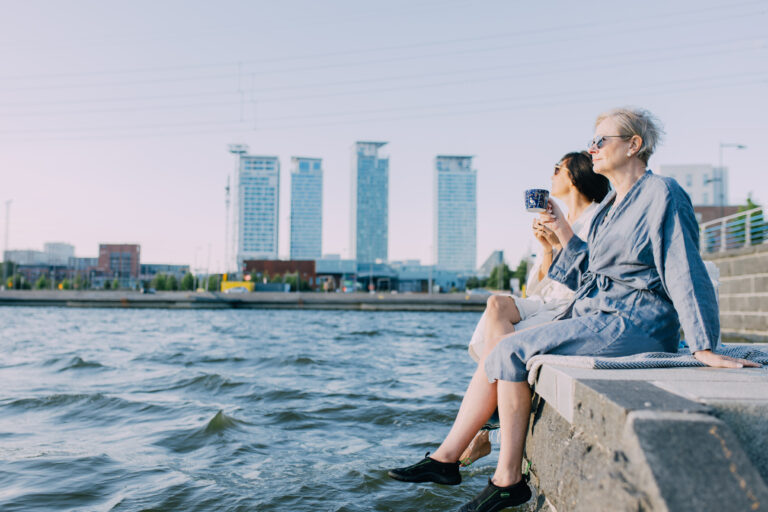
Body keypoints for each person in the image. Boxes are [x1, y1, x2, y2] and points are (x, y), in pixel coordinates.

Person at [387, 107, 760, 512]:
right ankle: (459, 464)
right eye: (591, 141)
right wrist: (562, 230)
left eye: (601, 141)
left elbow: (684, 268)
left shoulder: (662, 194)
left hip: (636, 320)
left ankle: (498, 476)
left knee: (510, 349)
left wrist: (704, 346)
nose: (591, 149)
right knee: (505, 348)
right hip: (598, 314)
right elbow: (590, 275)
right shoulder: (611, 206)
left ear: (633, 145)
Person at [460, 151, 609, 466]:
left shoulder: (599, 218)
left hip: (572, 305)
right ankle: (485, 426)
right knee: (496, 304)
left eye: (557, 169)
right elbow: (539, 286)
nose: (551, 175)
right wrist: (547, 250)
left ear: (574, 176)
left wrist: (561, 241)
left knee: (501, 340)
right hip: (546, 301)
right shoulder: (556, 220)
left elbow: (587, 277)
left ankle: (483, 429)